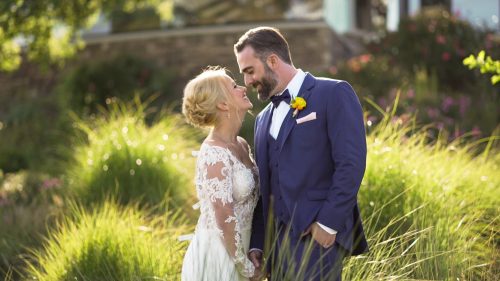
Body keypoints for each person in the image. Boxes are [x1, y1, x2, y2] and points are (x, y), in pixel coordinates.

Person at [234, 27, 368, 280]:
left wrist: (328, 223)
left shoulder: (333, 93)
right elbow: (266, 187)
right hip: (276, 248)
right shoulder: (262, 119)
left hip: (318, 239)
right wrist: (258, 243)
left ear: (272, 60)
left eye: (249, 71)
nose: (247, 81)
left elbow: (351, 163)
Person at [181, 67, 262, 280]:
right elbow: (224, 215)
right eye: (234, 86)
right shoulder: (214, 154)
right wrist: (245, 267)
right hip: (221, 257)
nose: (243, 87)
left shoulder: (241, 145)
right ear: (223, 104)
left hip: (245, 248)